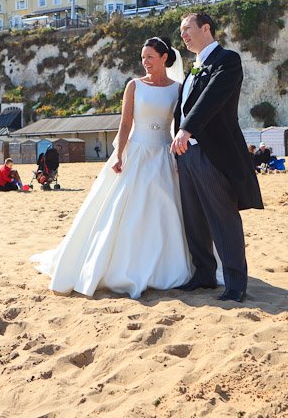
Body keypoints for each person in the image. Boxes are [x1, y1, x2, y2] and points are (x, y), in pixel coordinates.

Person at [31, 37, 192, 298]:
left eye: (150, 57)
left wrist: (177, 158)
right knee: (125, 208)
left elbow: (179, 125)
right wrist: (119, 154)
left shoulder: (178, 88)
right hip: (136, 151)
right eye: (142, 58)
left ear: (164, 58)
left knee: (165, 209)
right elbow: (125, 123)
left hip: (163, 152)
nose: (145, 62)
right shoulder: (134, 85)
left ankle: (163, 267)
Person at [171, 12, 263, 303]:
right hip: (186, 153)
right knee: (194, 217)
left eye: (187, 29)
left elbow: (211, 99)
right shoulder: (193, 68)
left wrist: (186, 130)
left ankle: (235, 284)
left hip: (212, 152)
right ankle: (204, 274)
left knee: (223, 217)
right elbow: (182, 108)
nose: (183, 35)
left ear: (206, 28)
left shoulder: (227, 60)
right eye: (181, 31)